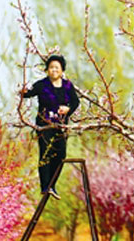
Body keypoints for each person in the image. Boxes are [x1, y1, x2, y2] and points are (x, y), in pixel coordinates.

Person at [21, 54, 79, 200]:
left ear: (62, 70)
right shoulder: (42, 84)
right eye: (51, 67)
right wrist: (22, 91)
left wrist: (68, 110)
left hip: (61, 126)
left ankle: (52, 185)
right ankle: (45, 186)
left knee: (61, 155)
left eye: (57, 68)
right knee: (46, 153)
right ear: (47, 70)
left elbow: (75, 102)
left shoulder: (67, 85)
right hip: (44, 125)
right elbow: (28, 93)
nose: (54, 70)